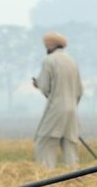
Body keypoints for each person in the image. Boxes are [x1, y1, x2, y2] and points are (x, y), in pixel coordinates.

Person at [32, 31, 84, 170]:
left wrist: (38, 84)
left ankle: (45, 175)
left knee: (45, 141)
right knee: (70, 143)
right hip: (72, 109)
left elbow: (45, 86)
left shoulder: (49, 60)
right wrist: (72, 104)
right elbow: (79, 90)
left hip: (56, 107)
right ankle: (72, 173)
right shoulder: (72, 61)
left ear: (49, 45)